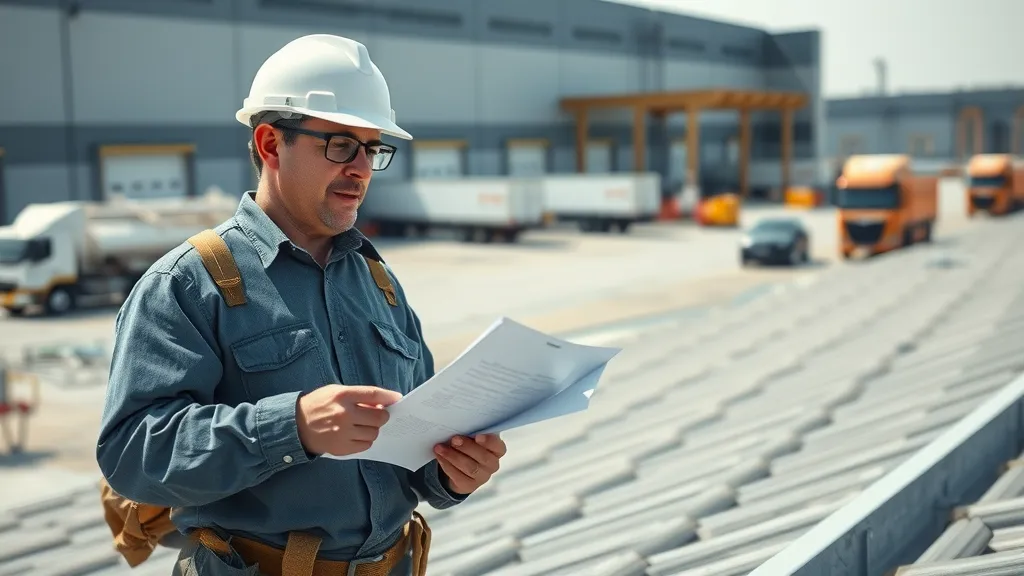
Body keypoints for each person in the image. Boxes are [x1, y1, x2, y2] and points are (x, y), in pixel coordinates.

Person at [95, 34, 507, 576]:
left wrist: (452, 473)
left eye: (373, 148)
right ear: (270, 145)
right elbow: (131, 455)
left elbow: (414, 450)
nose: (361, 168)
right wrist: (292, 427)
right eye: (340, 145)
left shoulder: (377, 281)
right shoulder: (189, 284)